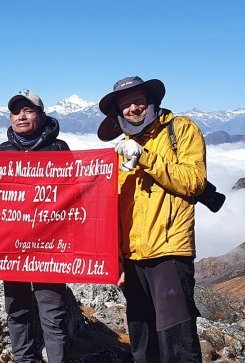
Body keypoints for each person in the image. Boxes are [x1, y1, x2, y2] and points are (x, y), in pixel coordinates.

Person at [97, 76, 205, 363]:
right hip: (132, 258)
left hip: (168, 252)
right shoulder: (124, 146)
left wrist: (146, 158)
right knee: (143, 343)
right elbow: (116, 207)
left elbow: (194, 181)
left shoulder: (180, 130)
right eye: (125, 105)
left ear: (151, 101)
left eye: (138, 101)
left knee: (176, 343)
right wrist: (115, 258)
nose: (133, 108)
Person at [0, 89, 71, 363]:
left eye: (28, 111)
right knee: (16, 310)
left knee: (52, 315)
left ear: (41, 116)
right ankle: (23, 359)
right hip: (13, 245)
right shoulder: (3, 151)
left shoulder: (59, 149)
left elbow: (77, 193)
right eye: (16, 111)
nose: (21, 116)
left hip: (50, 246)